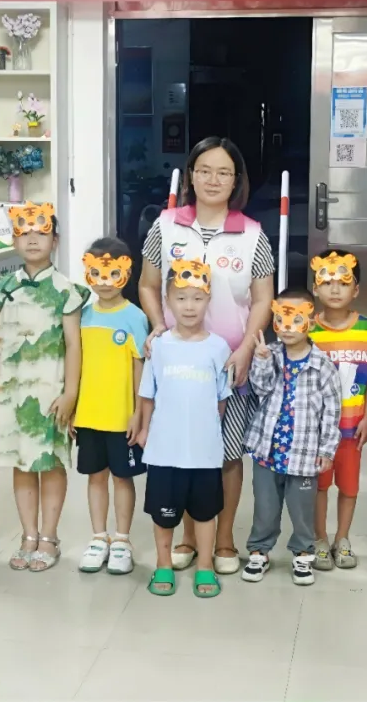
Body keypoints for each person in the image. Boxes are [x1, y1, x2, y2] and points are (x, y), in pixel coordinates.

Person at [138, 137, 274, 575]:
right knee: (182, 451)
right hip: (178, 365)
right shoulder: (165, 226)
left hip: (228, 365)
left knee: (226, 453)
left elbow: (263, 299)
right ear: (191, 176)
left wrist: (246, 348)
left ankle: (224, 539)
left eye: (224, 173)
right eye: (205, 171)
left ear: (237, 181)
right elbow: (147, 284)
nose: (214, 180)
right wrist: (159, 325)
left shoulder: (252, 234)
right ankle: (186, 538)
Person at [0, 202, 87, 573]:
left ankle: (49, 536)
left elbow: (74, 344)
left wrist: (71, 393)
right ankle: (28, 535)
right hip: (12, 395)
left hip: (52, 393)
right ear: (13, 241)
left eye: (41, 233)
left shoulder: (66, 290)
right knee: (22, 463)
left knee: (51, 463)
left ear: (55, 240)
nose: (32, 239)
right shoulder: (2, 289)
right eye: (24, 233)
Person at [137, 259, 233, 598]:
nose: (189, 306)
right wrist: (144, 430)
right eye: (180, 298)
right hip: (164, 451)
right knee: (163, 515)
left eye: (197, 298)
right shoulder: (159, 346)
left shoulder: (219, 347)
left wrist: (205, 430)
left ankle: (205, 565)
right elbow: (148, 394)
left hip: (204, 452)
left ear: (209, 301)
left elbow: (221, 400)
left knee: (206, 514)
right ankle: (163, 563)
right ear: (167, 301)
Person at [241, 291, 341, 586]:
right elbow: (260, 389)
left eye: (296, 320)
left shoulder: (322, 365)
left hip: (303, 453)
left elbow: (332, 410)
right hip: (268, 450)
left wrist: (327, 449)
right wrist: (261, 360)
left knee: (302, 510)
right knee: (265, 506)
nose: (287, 327)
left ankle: (303, 554)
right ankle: (259, 551)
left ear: (311, 322)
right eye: (280, 319)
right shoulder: (270, 354)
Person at [73, 237, 149, 576]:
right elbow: (75, 365)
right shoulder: (82, 316)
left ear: (126, 273)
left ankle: (122, 540)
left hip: (121, 418)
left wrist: (138, 413)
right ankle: (98, 537)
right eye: (97, 274)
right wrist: (73, 408)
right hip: (89, 415)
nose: (104, 282)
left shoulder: (135, 317)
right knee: (95, 477)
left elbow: (139, 368)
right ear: (88, 272)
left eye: (113, 274)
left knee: (122, 478)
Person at [308, 250, 367, 570]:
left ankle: (343, 538)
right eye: (327, 281)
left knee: (349, 487)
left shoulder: (365, 329)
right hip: (317, 432)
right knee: (319, 486)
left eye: (344, 282)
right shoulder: (309, 330)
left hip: (352, 429)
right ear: (315, 288)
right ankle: (320, 539)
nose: (335, 289)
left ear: (356, 289)